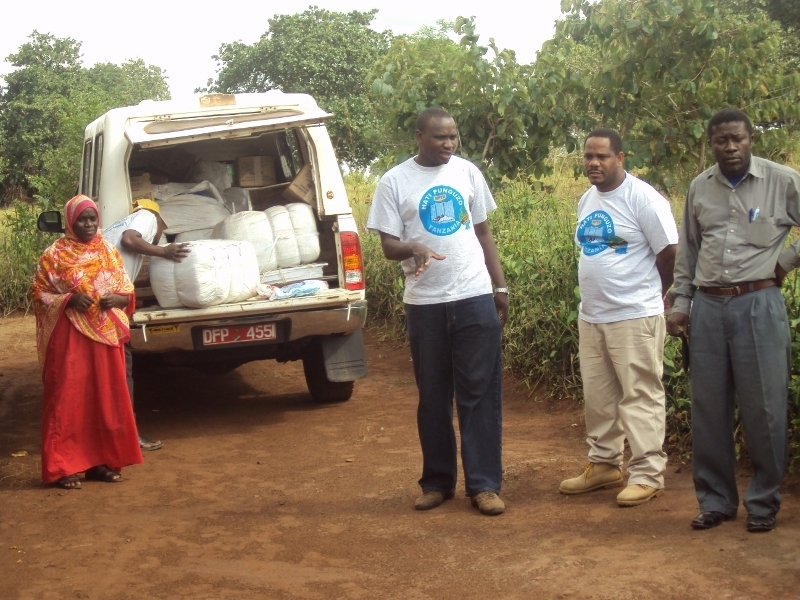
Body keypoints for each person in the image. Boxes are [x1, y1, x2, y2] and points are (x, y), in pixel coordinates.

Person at [366, 107, 509, 516]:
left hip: (474, 296)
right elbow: (388, 246)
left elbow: (483, 231)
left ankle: (484, 485)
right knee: (432, 397)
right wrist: (413, 247)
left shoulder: (467, 173)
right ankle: (437, 483)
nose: (449, 144)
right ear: (419, 137)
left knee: (479, 394)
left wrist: (499, 285)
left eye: (453, 136)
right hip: (425, 303)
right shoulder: (394, 181)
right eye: (440, 137)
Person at [667, 107, 800, 533]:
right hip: (708, 307)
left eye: (737, 139)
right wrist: (681, 303)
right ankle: (716, 501)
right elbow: (688, 250)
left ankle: (763, 503)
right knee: (709, 409)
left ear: (750, 140)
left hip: (758, 305)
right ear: (711, 144)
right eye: (721, 140)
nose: (730, 147)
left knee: (765, 409)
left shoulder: (782, 181)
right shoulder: (700, 187)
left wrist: (785, 261)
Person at [559, 128, 678, 507]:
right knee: (599, 397)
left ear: (620, 158)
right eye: (588, 156)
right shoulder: (587, 199)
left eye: (602, 156)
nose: (594, 163)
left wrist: (658, 296)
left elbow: (669, 253)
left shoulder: (644, 198)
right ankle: (605, 464)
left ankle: (647, 474)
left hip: (635, 315)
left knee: (640, 395)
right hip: (593, 316)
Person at [32, 194, 142, 489]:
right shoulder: (54, 255)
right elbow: (39, 294)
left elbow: (126, 292)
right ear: (70, 221)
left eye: (92, 218)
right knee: (67, 400)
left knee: (103, 399)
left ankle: (100, 464)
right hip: (69, 337)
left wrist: (116, 299)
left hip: (104, 337)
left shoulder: (108, 251)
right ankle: (63, 467)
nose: (89, 224)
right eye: (82, 219)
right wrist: (68, 299)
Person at [103, 199, 190, 451]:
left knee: (110, 371)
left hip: (103, 302)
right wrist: (164, 251)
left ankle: (112, 434)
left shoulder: (117, 226)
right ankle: (127, 435)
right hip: (109, 307)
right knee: (122, 368)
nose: (160, 236)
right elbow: (130, 240)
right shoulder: (147, 216)